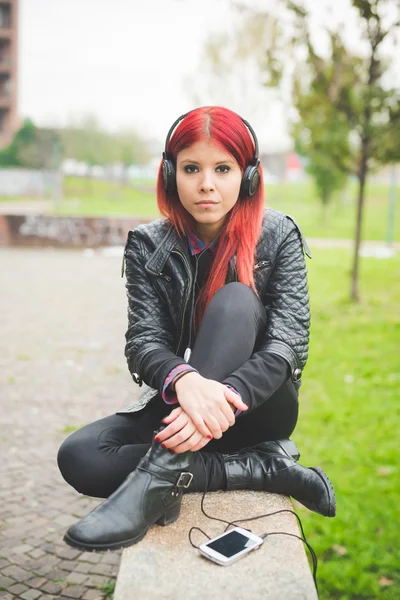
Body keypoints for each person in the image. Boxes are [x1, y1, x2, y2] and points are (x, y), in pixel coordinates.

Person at [57, 106, 336, 552]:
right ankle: (262, 470)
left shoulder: (278, 234)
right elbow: (144, 342)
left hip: (258, 406)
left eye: (222, 168)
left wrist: (219, 395)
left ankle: (158, 477)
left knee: (237, 299)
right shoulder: (149, 245)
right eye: (191, 168)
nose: (206, 183)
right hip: (191, 396)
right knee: (81, 456)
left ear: (246, 176)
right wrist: (184, 381)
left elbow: (289, 343)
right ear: (170, 175)